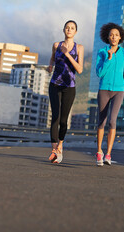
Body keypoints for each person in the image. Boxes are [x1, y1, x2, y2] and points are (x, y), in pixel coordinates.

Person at [95, 22, 124, 166]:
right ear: (107, 37)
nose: (114, 37)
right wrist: (109, 59)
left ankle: (108, 154)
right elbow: (100, 73)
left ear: (120, 37)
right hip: (104, 89)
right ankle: (99, 152)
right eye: (111, 35)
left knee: (112, 121)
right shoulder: (102, 52)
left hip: (119, 90)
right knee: (102, 121)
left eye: (116, 35)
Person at [47, 20, 84, 164]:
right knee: (55, 117)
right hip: (54, 84)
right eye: (67, 27)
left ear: (75, 32)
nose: (69, 30)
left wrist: (67, 54)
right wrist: (50, 66)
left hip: (69, 87)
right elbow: (52, 59)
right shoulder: (56, 45)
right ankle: (54, 150)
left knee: (63, 119)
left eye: (72, 28)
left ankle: (60, 145)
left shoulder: (79, 48)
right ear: (63, 30)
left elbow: (80, 70)